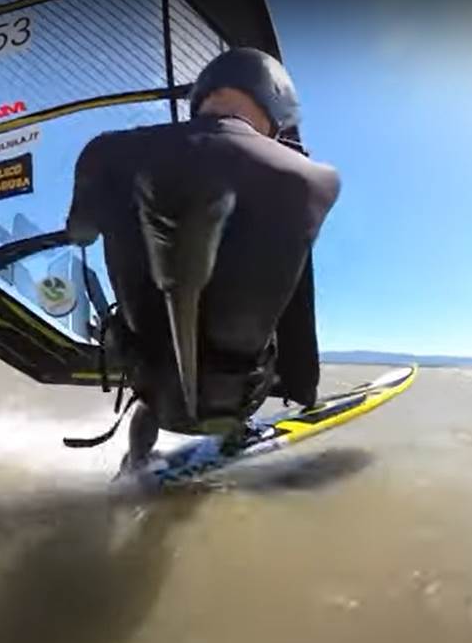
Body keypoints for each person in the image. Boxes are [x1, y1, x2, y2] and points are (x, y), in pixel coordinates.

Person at [65, 47, 341, 471]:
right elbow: (297, 299)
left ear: (202, 96)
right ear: (277, 105)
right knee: (274, 275)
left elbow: (80, 232)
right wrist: (304, 388)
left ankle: (137, 460)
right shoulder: (316, 180)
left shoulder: (103, 153)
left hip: (151, 385)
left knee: (146, 362)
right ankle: (236, 433)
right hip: (237, 394)